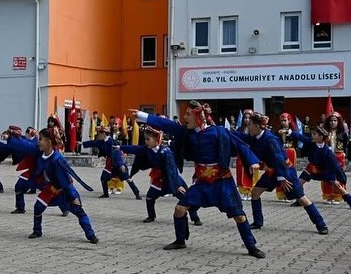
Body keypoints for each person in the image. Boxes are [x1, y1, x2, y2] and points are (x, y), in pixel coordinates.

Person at [135, 101, 266, 259]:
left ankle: (251, 247)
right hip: (202, 183)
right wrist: (143, 116)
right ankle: (180, 240)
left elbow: (240, 145)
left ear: (199, 117)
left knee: (239, 216)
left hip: (222, 182)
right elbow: (168, 125)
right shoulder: (187, 133)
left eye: (188, 114)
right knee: (179, 209)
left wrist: (252, 161)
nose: (184, 117)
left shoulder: (219, 132)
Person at [236, 113, 328, 235]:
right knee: (255, 192)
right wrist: (224, 132)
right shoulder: (255, 137)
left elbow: (279, 160)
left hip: (285, 172)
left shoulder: (271, 140)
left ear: (258, 126)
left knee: (301, 198)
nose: (248, 127)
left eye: (250, 124)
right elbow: (242, 137)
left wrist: (282, 178)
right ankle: (258, 222)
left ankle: (321, 224)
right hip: (272, 172)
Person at [4, 128, 98, 243]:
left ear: (48, 142)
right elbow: (25, 145)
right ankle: (37, 231)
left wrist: (73, 197)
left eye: (41, 139)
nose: (38, 142)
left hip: (64, 191)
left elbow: (66, 182)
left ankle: (90, 235)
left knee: (79, 212)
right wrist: (11, 138)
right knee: (38, 207)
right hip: (50, 189)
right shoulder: (41, 154)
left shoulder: (57, 160)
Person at [121, 126, 200, 224]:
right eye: (145, 139)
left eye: (148, 139)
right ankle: (151, 216)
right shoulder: (147, 149)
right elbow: (135, 149)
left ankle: (195, 218)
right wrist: (120, 147)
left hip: (172, 179)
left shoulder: (166, 153)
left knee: (186, 198)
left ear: (156, 140)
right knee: (150, 197)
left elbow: (172, 170)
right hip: (158, 179)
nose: (146, 141)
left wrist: (177, 185)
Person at [292, 125, 351, 211]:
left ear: (321, 137)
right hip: (312, 167)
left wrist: (341, 178)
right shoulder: (311, 142)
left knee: (337, 186)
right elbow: (301, 137)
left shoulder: (328, 152)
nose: (312, 136)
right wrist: (290, 132)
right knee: (298, 183)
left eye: (314, 134)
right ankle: (300, 200)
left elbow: (335, 167)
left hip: (325, 170)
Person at [82, 126, 141, 199]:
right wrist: (82, 143)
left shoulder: (112, 142)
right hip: (109, 164)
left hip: (117, 163)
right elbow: (93, 143)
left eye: (99, 134)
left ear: (103, 134)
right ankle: (106, 194)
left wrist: (121, 164)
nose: (98, 136)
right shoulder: (101, 141)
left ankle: (137, 194)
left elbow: (117, 153)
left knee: (128, 179)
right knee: (103, 178)